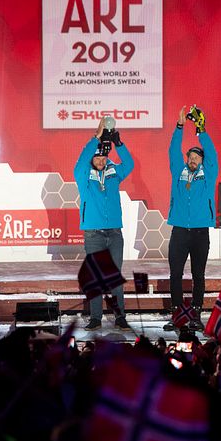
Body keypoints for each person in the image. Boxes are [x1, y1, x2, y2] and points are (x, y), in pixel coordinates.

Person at [74, 117, 134, 331]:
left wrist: (119, 144)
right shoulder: (84, 176)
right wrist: (97, 137)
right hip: (94, 234)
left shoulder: (113, 174)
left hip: (115, 233)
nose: (100, 159)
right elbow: (81, 160)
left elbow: (130, 164)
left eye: (102, 156)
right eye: (97, 156)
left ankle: (120, 317)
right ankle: (96, 318)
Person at [164, 106, 219, 332]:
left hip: (199, 233)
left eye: (197, 156)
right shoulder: (179, 171)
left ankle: (196, 314)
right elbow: (172, 150)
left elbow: (212, 153)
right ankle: (177, 314)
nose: (193, 159)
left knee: (198, 275)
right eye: (191, 156)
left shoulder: (208, 174)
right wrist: (179, 127)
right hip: (179, 232)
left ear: (202, 160)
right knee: (175, 274)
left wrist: (200, 130)